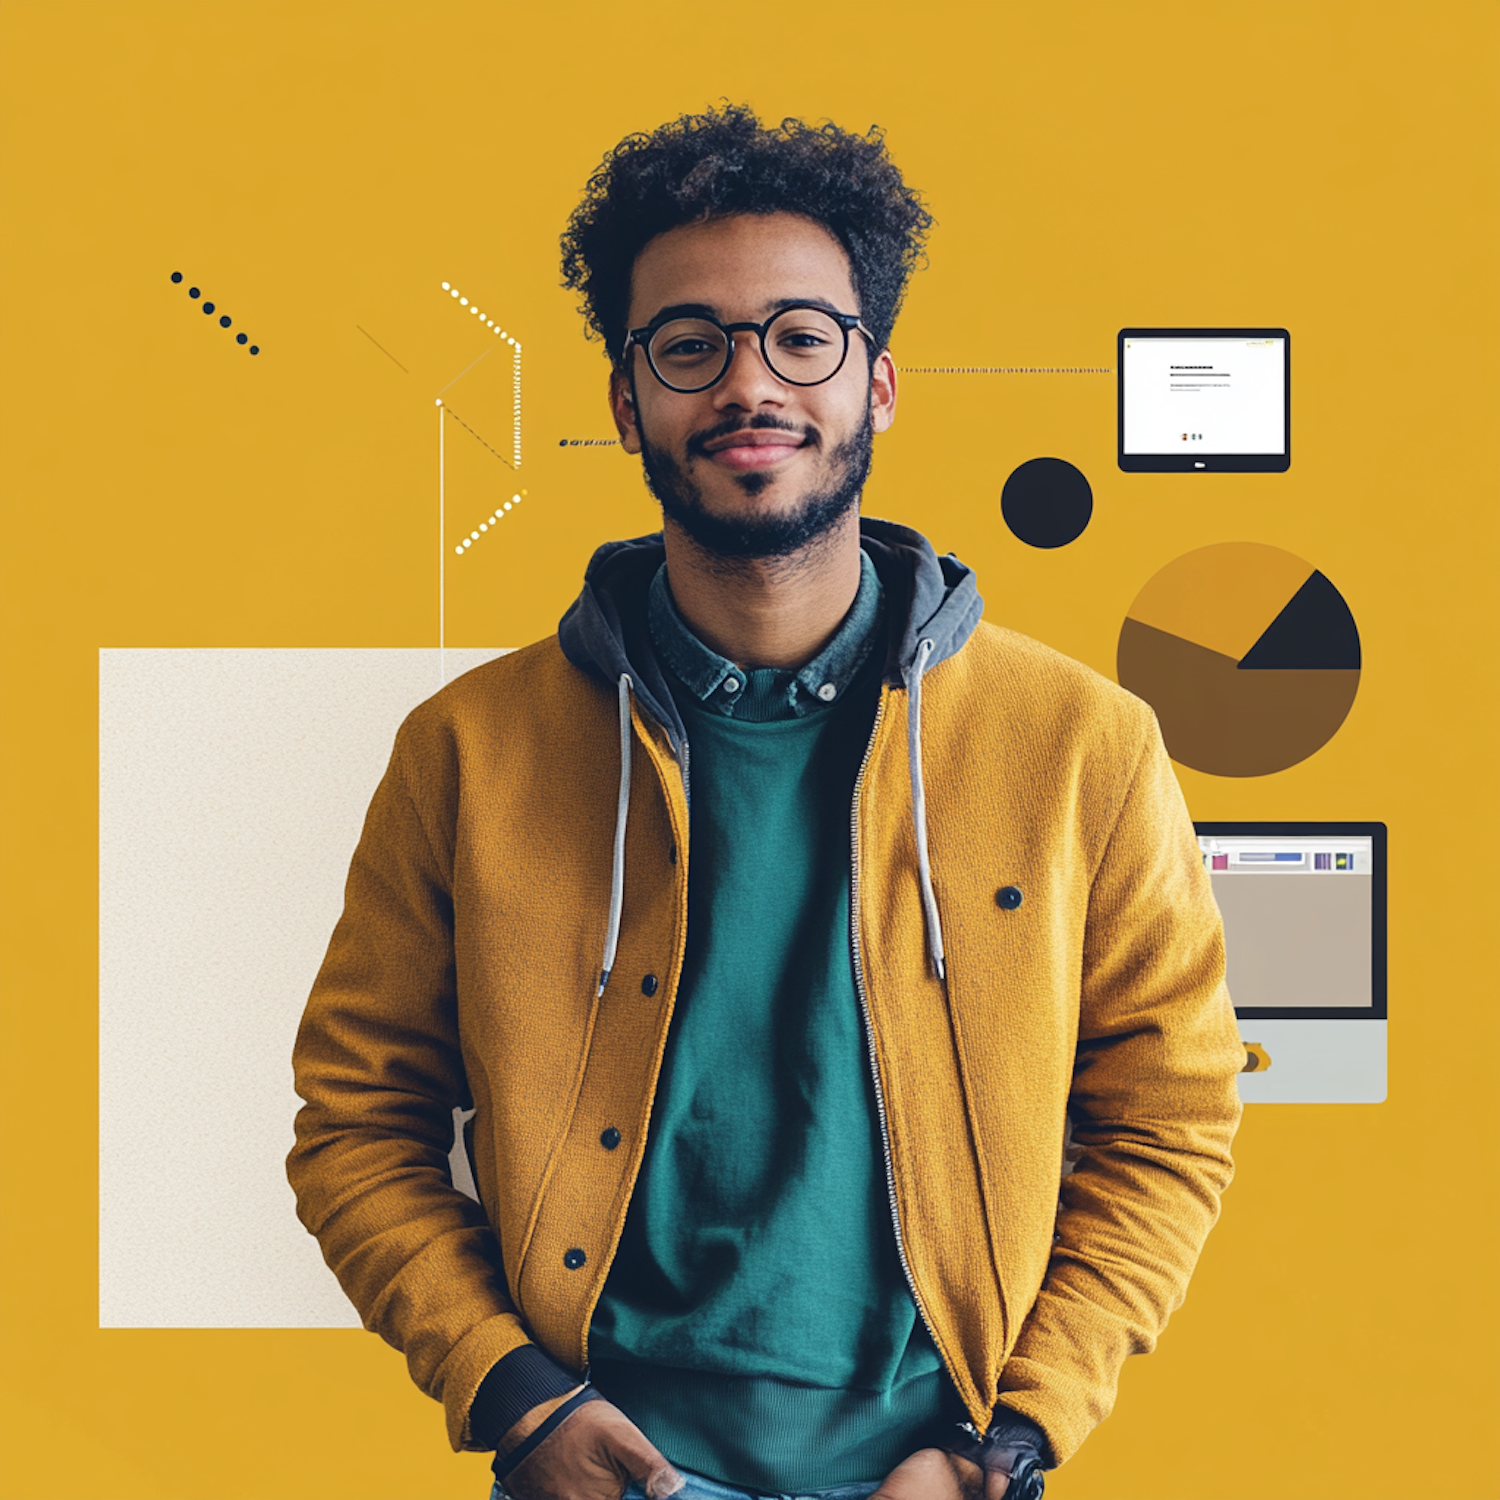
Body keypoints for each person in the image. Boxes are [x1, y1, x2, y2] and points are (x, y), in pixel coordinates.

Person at [287, 104, 1245, 1500]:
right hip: (602, 1469)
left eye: (803, 337)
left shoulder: (1082, 744)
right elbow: (355, 1121)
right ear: (628, 401)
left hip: (939, 1472)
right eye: (693, 345)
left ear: (880, 385)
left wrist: (1012, 1442)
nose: (752, 384)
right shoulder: (466, 752)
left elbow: (1171, 1114)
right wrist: (515, 1397)